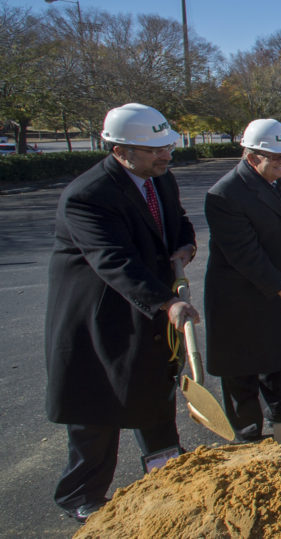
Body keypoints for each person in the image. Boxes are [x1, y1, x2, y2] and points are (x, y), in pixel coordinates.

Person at [46, 103, 198, 523]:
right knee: (98, 407)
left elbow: (177, 222)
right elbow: (113, 260)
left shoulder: (159, 180)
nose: (166, 155)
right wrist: (168, 302)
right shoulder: (88, 197)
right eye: (154, 150)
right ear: (119, 150)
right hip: (99, 319)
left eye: (167, 146)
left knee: (153, 393)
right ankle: (82, 494)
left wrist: (185, 245)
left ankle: (168, 474)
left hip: (146, 313)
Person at [202, 118, 281, 442]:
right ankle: (248, 438)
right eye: (276, 157)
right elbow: (246, 255)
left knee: (277, 362)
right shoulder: (225, 195)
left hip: (276, 288)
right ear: (251, 158)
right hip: (240, 296)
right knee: (242, 373)